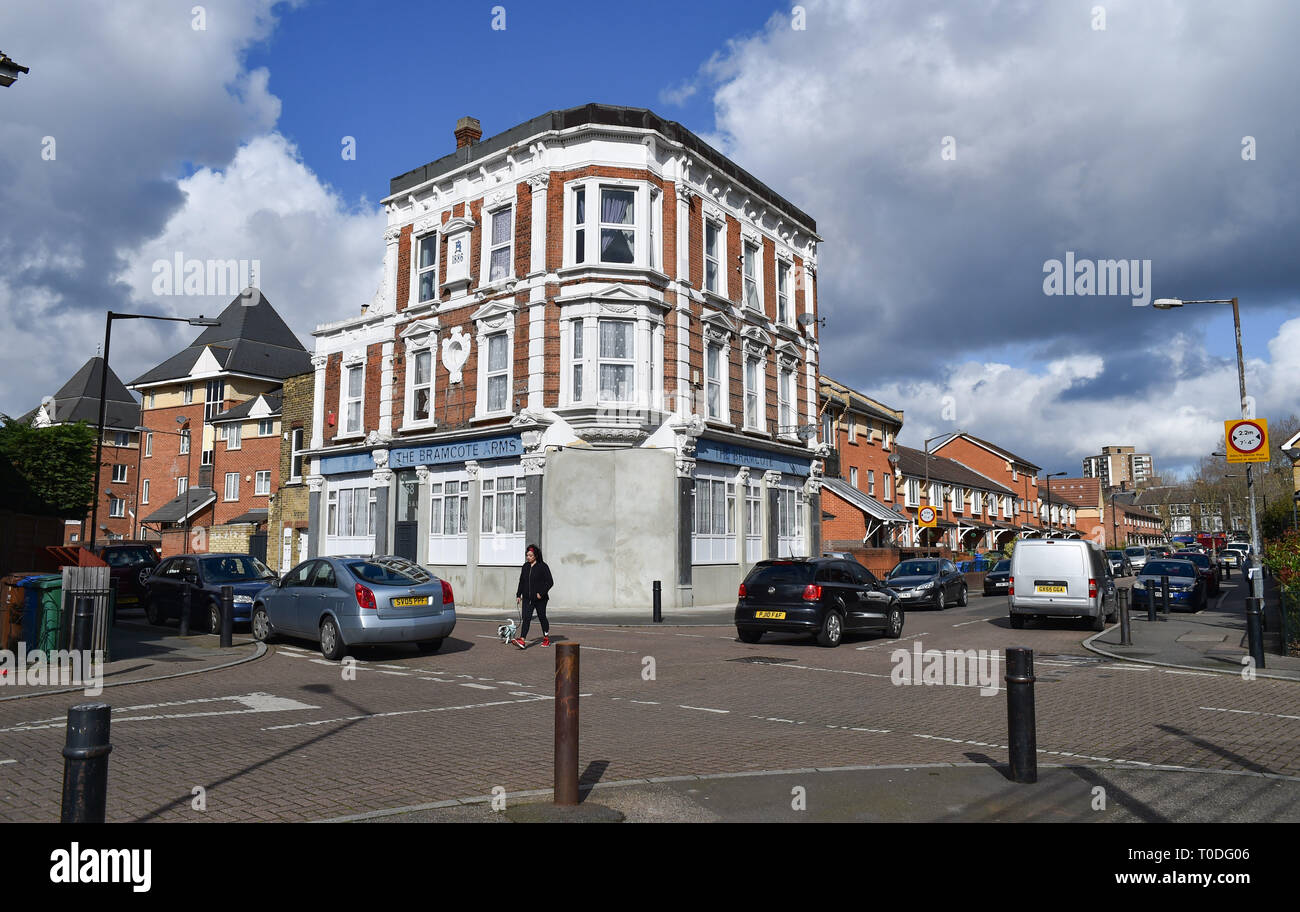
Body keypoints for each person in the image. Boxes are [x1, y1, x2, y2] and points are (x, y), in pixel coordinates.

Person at [514, 544, 554, 649]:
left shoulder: (543, 566)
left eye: (530, 555)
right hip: (527, 598)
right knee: (526, 618)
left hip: (540, 599)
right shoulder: (525, 566)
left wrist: (541, 593)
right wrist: (519, 594)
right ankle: (522, 640)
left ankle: (546, 638)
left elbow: (550, 582)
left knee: (542, 617)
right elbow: (521, 581)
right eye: (527, 555)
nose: (528, 557)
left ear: (535, 556)